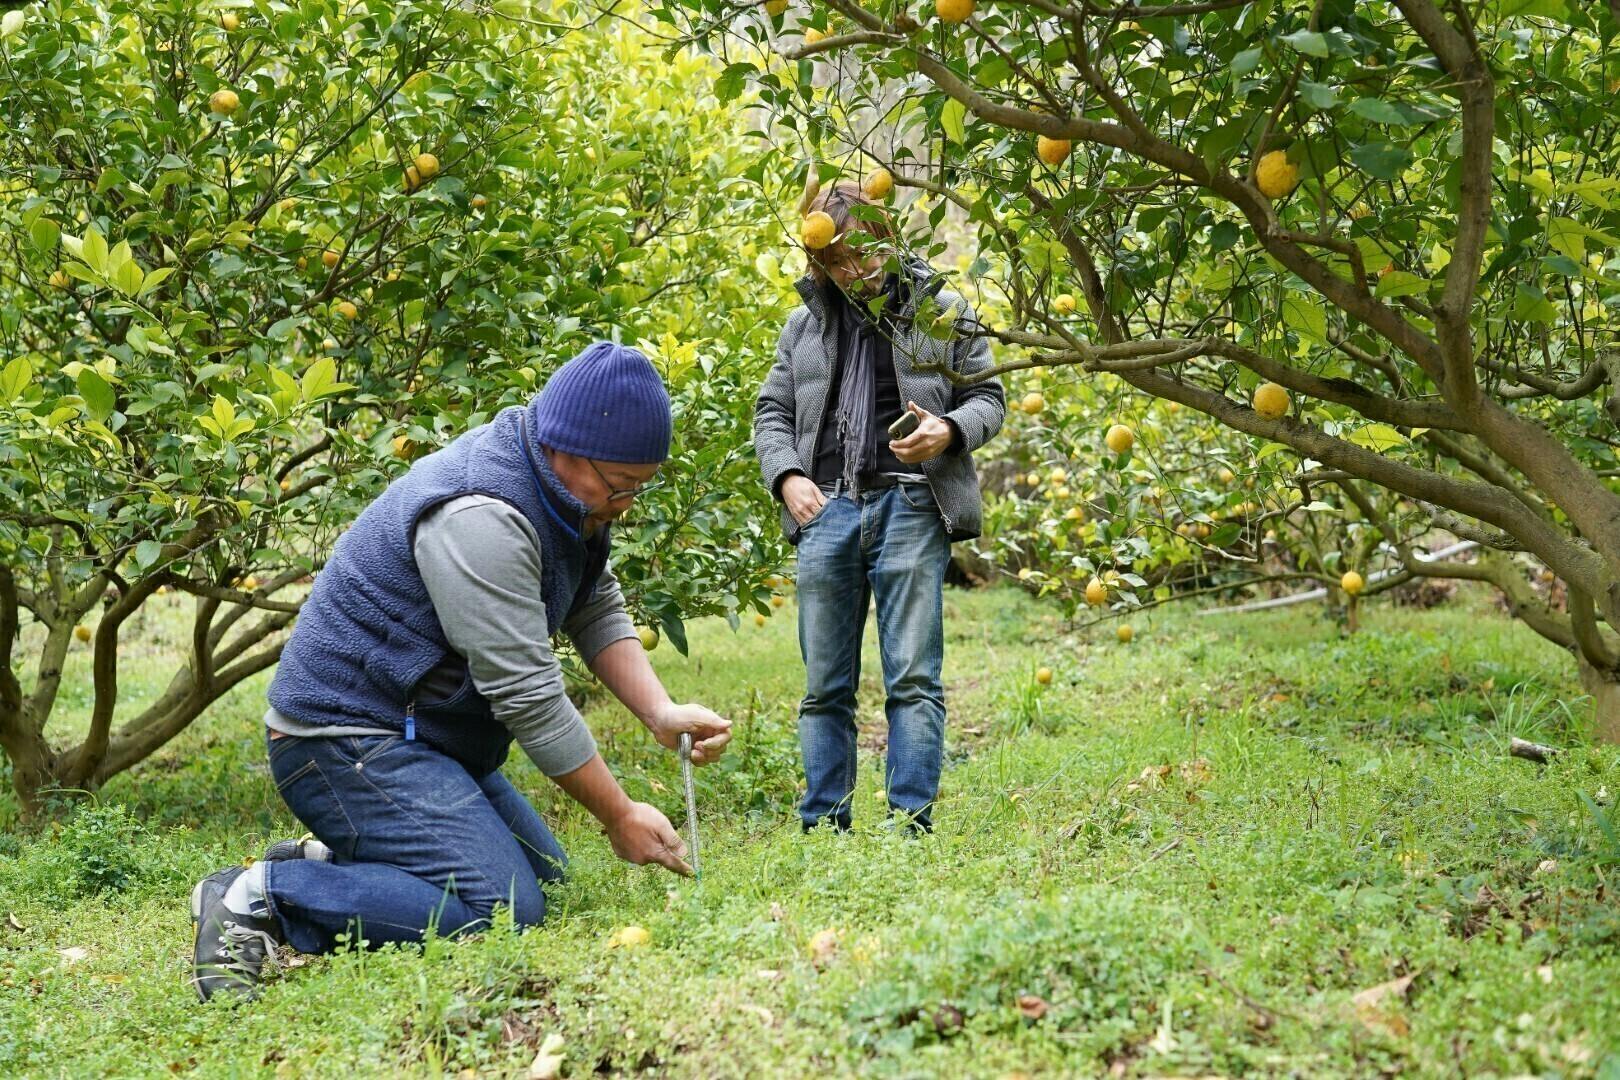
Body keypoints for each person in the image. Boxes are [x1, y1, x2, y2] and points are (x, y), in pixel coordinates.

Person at [190, 341, 732, 1002]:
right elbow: (529, 697)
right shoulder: (483, 517)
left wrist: (661, 711)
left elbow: (593, 603)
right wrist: (619, 812)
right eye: (619, 488)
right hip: (342, 741)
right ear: (566, 445)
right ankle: (261, 897)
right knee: (502, 907)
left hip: (421, 741)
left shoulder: (566, 494)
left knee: (548, 882)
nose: (624, 504)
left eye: (638, 489)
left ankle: (334, 862)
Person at [754, 180, 1006, 833]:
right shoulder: (804, 324)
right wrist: (785, 476)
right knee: (824, 688)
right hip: (826, 510)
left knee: (914, 679)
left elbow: (989, 399)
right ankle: (822, 825)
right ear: (819, 263)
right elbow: (772, 412)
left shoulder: (943, 310)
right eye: (836, 262)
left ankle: (909, 824)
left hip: (915, 503)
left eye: (863, 254)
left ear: (888, 239)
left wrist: (948, 432)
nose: (854, 271)